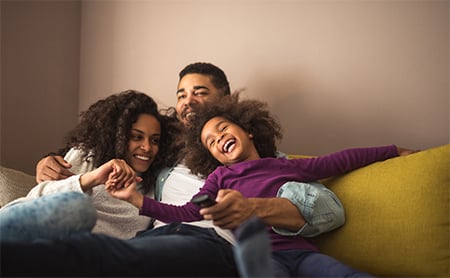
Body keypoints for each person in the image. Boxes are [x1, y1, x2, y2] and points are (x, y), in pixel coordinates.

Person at [1, 63, 344, 277]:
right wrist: (50, 158)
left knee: (117, 256)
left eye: (200, 92)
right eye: (181, 94)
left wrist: (253, 207)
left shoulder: (254, 159)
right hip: (158, 236)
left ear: (225, 101)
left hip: (213, 243)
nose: (187, 101)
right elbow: (100, 144)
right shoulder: (159, 149)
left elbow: (329, 210)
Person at [106, 93, 417, 277]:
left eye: (223, 129)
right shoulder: (220, 179)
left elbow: (341, 160)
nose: (219, 139)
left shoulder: (285, 165)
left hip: (303, 253)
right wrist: (136, 200)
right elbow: (188, 212)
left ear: (248, 130)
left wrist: (393, 151)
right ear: (211, 157)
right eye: (211, 142)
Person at [0, 90, 180, 241]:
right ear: (118, 136)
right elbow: (36, 198)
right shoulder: (87, 156)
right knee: (79, 208)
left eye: (155, 140)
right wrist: (92, 178)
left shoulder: (152, 187)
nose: (147, 147)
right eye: (136, 137)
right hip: (25, 227)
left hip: (81, 254)